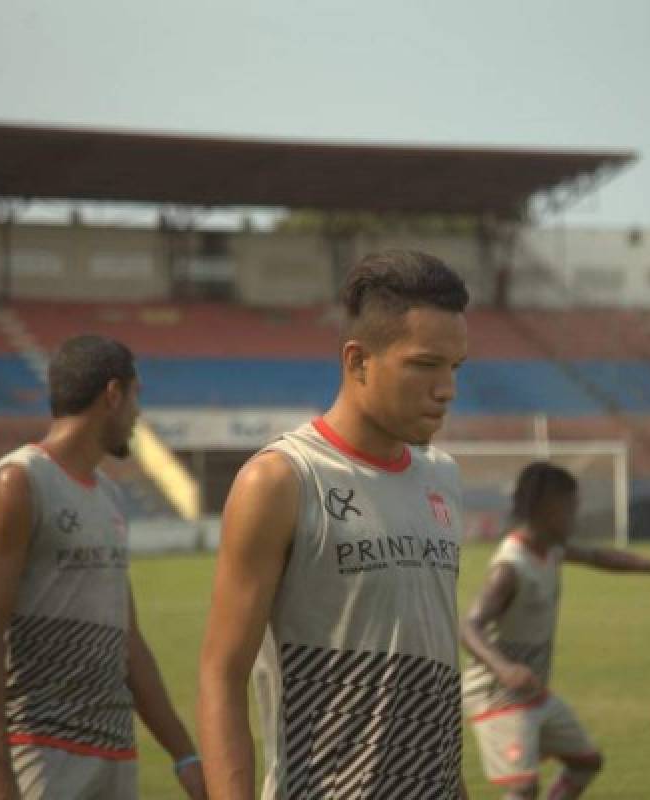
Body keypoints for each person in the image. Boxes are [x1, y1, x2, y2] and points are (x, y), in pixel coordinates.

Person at [198, 250, 471, 799]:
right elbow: (220, 676)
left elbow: (431, 675)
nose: (447, 389)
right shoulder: (282, 481)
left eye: (455, 368)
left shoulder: (442, 477)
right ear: (358, 361)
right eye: (424, 365)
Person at [0, 334, 205, 800]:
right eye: (137, 396)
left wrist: (185, 756)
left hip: (115, 753)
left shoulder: (109, 497)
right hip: (41, 751)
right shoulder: (20, 481)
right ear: (113, 395)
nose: (138, 414)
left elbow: (128, 642)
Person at [461, 461, 650, 799]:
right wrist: (504, 669)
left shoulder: (550, 550)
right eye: (570, 508)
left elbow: (597, 557)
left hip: (533, 693)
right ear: (546, 508)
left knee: (586, 762)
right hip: (497, 697)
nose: (575, 517)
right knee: (522, 787)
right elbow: (468, 625)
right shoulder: (510, 567)